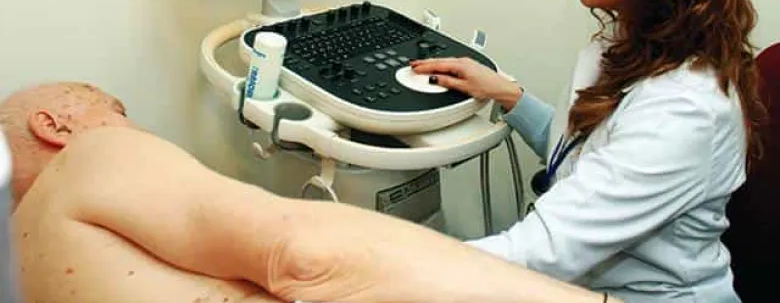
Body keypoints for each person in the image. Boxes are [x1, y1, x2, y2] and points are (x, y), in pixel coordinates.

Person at [412, 0, 764, 302]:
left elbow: (542, 249)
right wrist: (507, 96)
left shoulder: (687, 110)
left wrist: (377, 264)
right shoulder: (630, 40)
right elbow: (585, 156)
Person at [2, 81, 619, 303]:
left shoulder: (29, 260)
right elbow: (301, 256)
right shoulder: (90, 154)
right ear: (54, 125)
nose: (132, 125)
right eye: (114, 107)